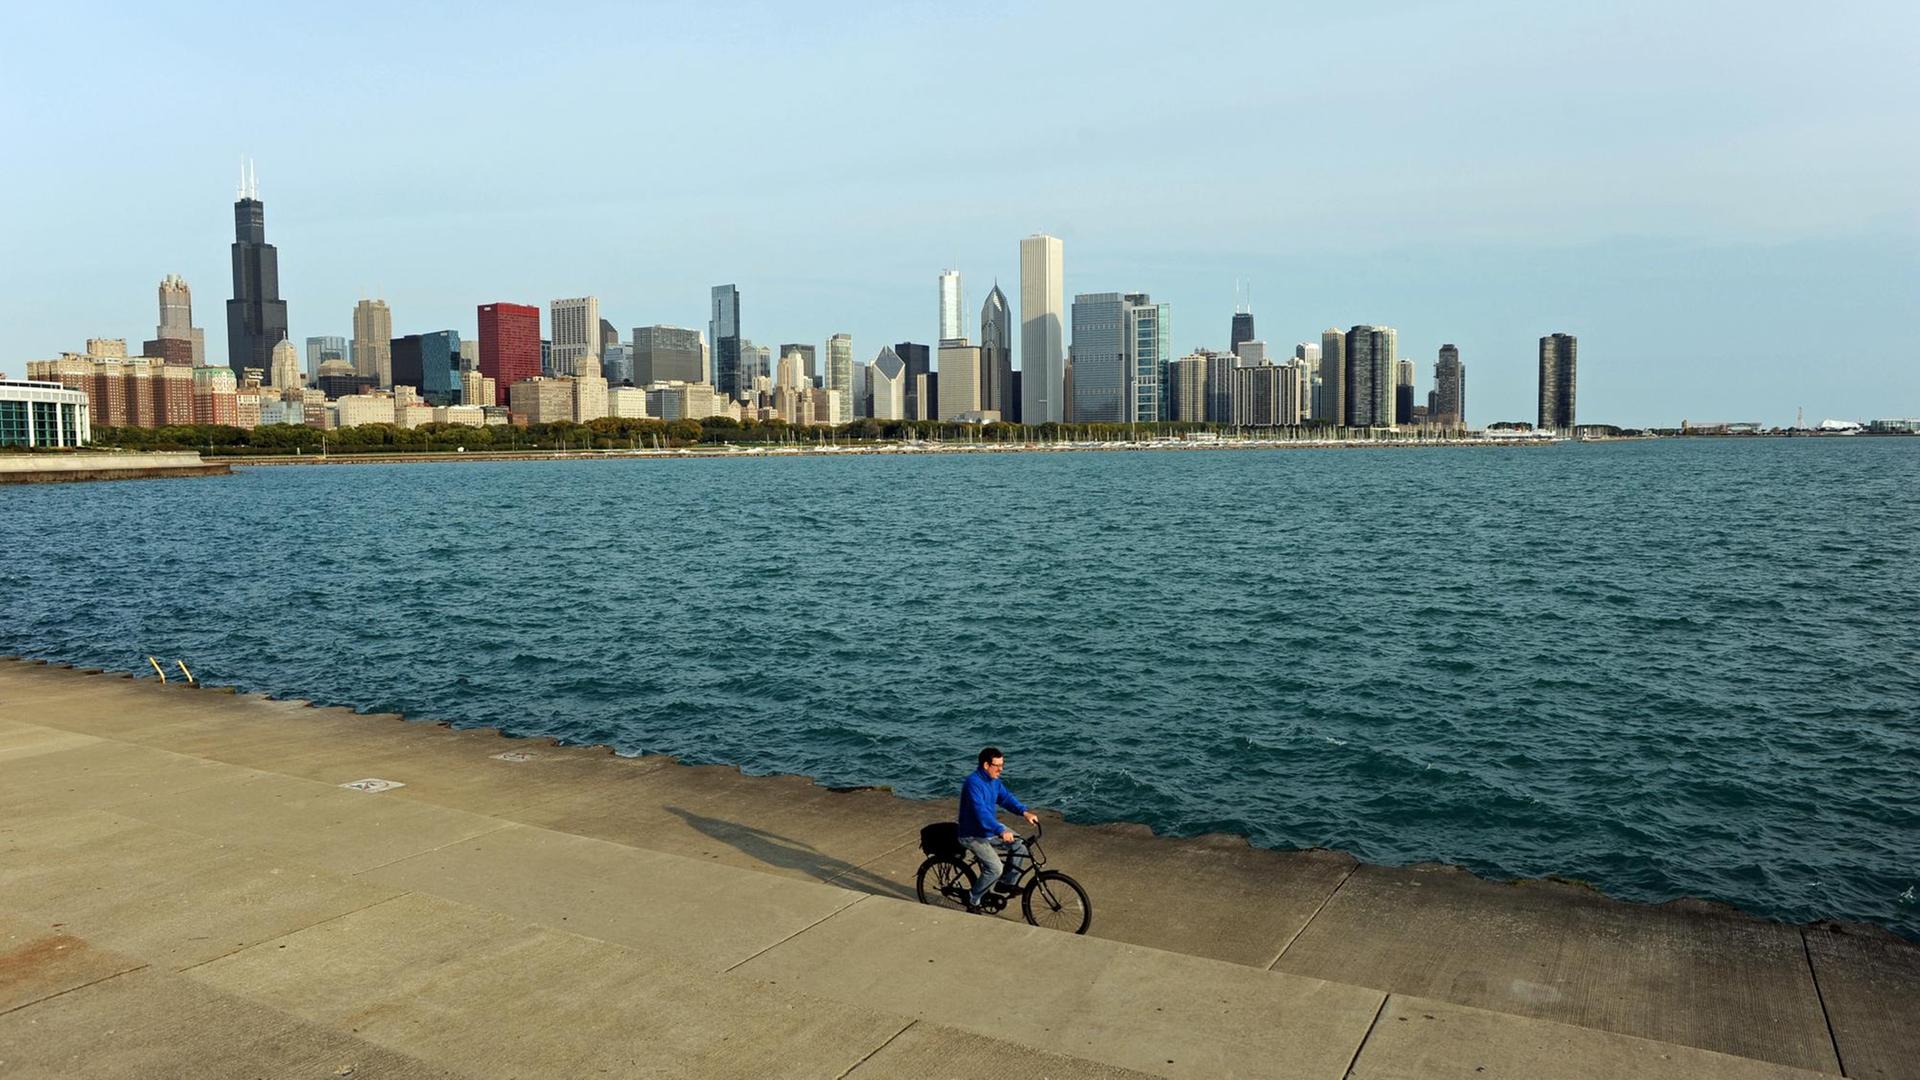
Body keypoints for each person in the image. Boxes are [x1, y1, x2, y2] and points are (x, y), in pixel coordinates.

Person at [957, 745, 1039, 913]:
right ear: (986, 765)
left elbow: (1006, 798)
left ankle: (1006, 883)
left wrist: (1024, 812)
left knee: (1020, 846)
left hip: (989, 830)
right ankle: (973, 899)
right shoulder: (973, 784)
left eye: (1003, 765)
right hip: (972, 834)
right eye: (998, 766)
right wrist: (1000, 829)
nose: (1001, 769)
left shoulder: (994, 781)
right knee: (995, 868)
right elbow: (980, 813)